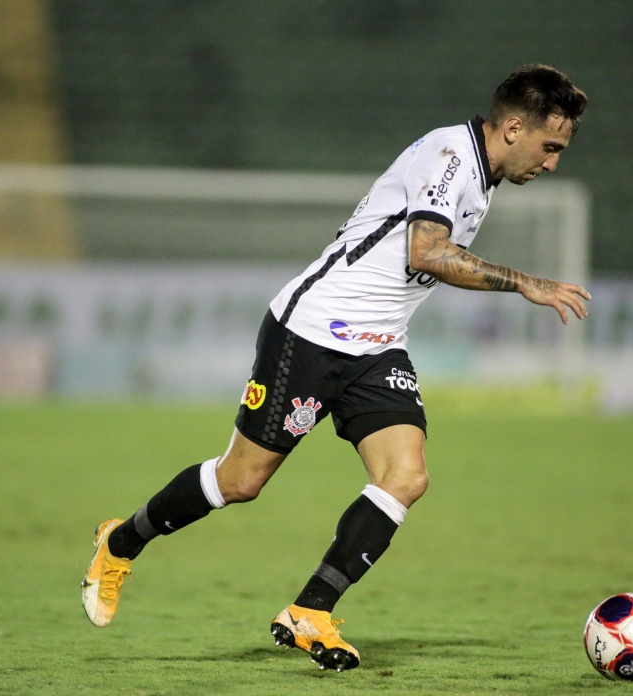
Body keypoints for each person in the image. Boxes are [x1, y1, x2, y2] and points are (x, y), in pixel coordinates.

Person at [82, 63, 589, 672]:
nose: (552, 162)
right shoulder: (450, 155)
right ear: (513, 128)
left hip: (378, 350)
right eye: (550, 146)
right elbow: (426, 251)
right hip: (312, 332)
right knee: (241, 482)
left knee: (406, 476)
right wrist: (525, 283)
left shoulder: (483, 177)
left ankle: (310, 610)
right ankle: (121, 541)